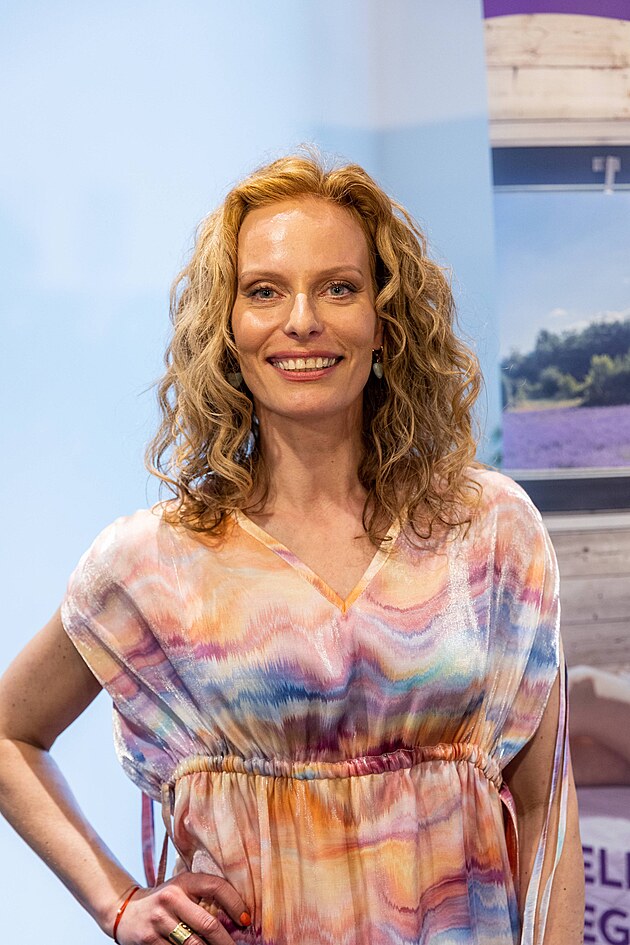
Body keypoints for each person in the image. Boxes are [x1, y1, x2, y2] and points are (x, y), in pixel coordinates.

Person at [0, 154, 584, 945]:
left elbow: (546, 804)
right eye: (265, 291)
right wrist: (119, 901)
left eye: (339, 288)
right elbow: (10, 734)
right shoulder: (155, 561)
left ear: (385, 321)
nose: (302, 320)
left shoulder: (489, 533)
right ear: (227, 328)